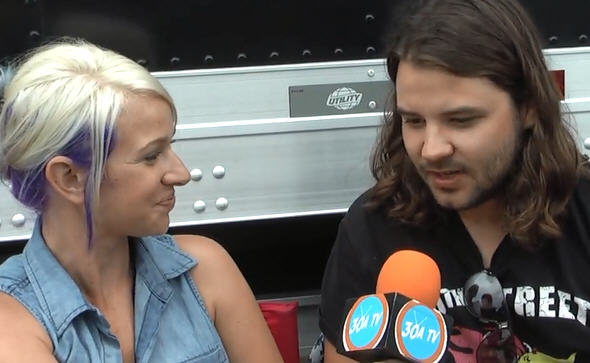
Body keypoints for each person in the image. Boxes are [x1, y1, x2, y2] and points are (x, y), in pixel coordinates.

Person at [318, 0, 590, 362]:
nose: (430, 150)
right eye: (414, 121)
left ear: (528, 108)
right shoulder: (371, 227)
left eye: (461, 120)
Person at [0, 39, 283, 362]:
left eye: (170, 147)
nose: (181, 173)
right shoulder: (10, 317)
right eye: (152, 156)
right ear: (69, 178)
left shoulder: (205, 268)